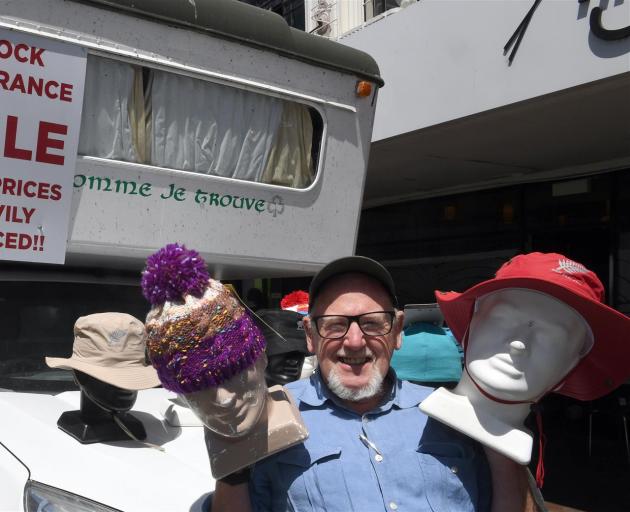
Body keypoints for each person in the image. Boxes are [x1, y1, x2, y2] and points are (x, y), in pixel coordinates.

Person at [212, 256, 536, 512]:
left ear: (397, 332)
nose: (354, 341)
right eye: (335, 324)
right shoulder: (265, 418)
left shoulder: (454, 414)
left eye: (371, 323)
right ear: (310, 335)